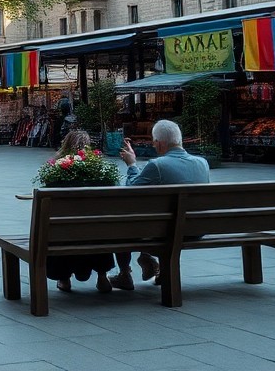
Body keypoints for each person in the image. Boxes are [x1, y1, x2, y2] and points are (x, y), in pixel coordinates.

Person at [109, 119, 210, 290]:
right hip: (195, 229)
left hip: (165, 233)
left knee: (122, 220)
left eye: (154, 142)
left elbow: (132, 192)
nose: (154, 145)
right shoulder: (202, 163)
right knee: (158, 214)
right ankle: (148, 259)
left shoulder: (157, 165)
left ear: (159, 143)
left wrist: (132, 164)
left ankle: (125, 273)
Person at [44, 129, 115, 293]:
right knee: (98, 228)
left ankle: (64, 278)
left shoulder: (56, 167)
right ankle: (102, 276)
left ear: (65, 144)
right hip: (95, 231)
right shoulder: (98, 168)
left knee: (58, 230)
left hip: (64, 231)